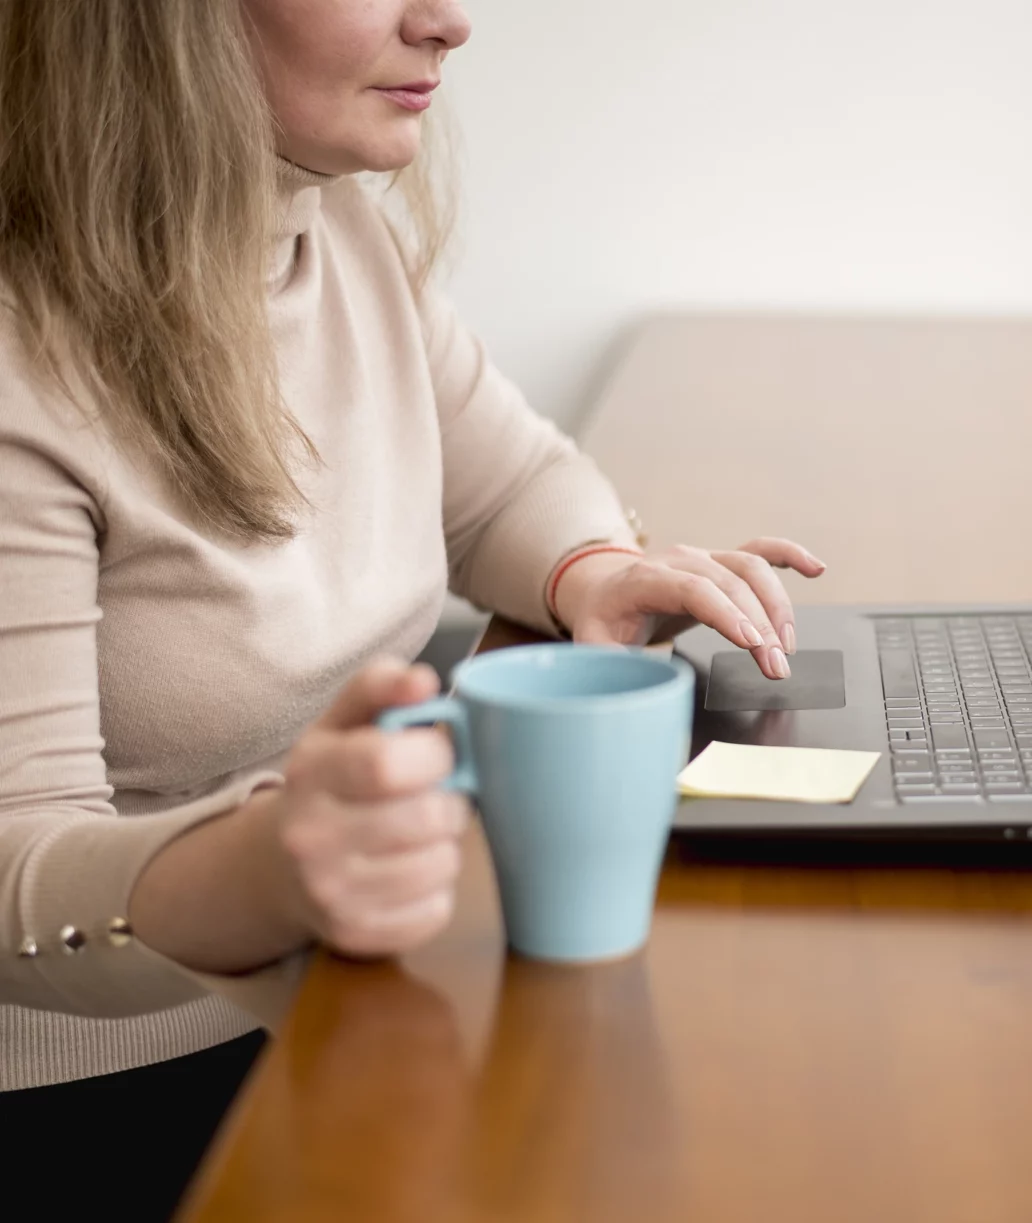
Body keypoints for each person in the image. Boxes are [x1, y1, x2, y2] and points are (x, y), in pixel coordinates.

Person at [0, 2, 821, 1217]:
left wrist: (592, 568)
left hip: (342, 988)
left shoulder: (331, 230)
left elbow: (514, 482)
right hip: (101, 1097)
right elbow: (17, 871)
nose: (449, 21)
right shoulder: (25, 357)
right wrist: (270, 867)